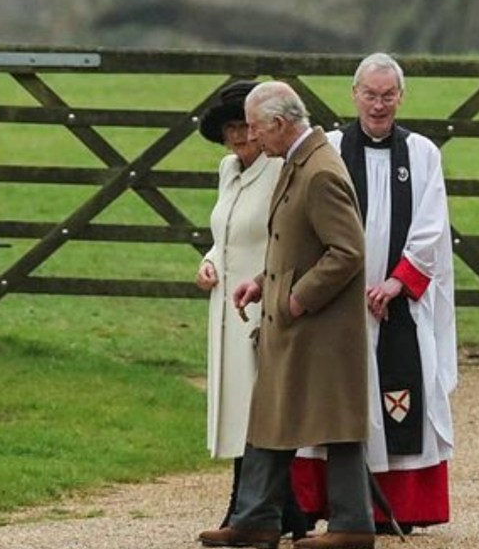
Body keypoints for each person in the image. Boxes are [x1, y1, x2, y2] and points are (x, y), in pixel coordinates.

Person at [198, 81, 376, 549]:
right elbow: (292, 243)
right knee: (271, 415)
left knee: (336, 422)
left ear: (279, 124)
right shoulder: (295, 163)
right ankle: (256, 519)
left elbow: (348, 250)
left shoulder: (318, 171)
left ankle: (352, 525)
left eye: (256, 127)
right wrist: (261, 283)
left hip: (319, 325)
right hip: (290, 318)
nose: (252, 137)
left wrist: (297, 298)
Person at [293, 52, 458, 534]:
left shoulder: (424, 153)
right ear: (354, 94)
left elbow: (432, 229)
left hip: (396, 304)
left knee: (401, 396)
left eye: (388, 95)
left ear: (401, 97)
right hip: (341, 303)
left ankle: (399, 508)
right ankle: (331, 505)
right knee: (333, 399)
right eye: (370, 94)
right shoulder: (330, 147)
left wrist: (397, 282)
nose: (379, 105)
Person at [195, 80, 308, 540]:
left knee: (260, 411)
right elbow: (225, 233)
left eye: (246, 127)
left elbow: (287, 237)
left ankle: (255, 509)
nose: (241, 138)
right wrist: (208, 261)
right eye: (231, 129)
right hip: (226, 306)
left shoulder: (280, 169)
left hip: (262, 302)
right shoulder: (228, 169)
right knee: (239, 410)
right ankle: (272, 510)